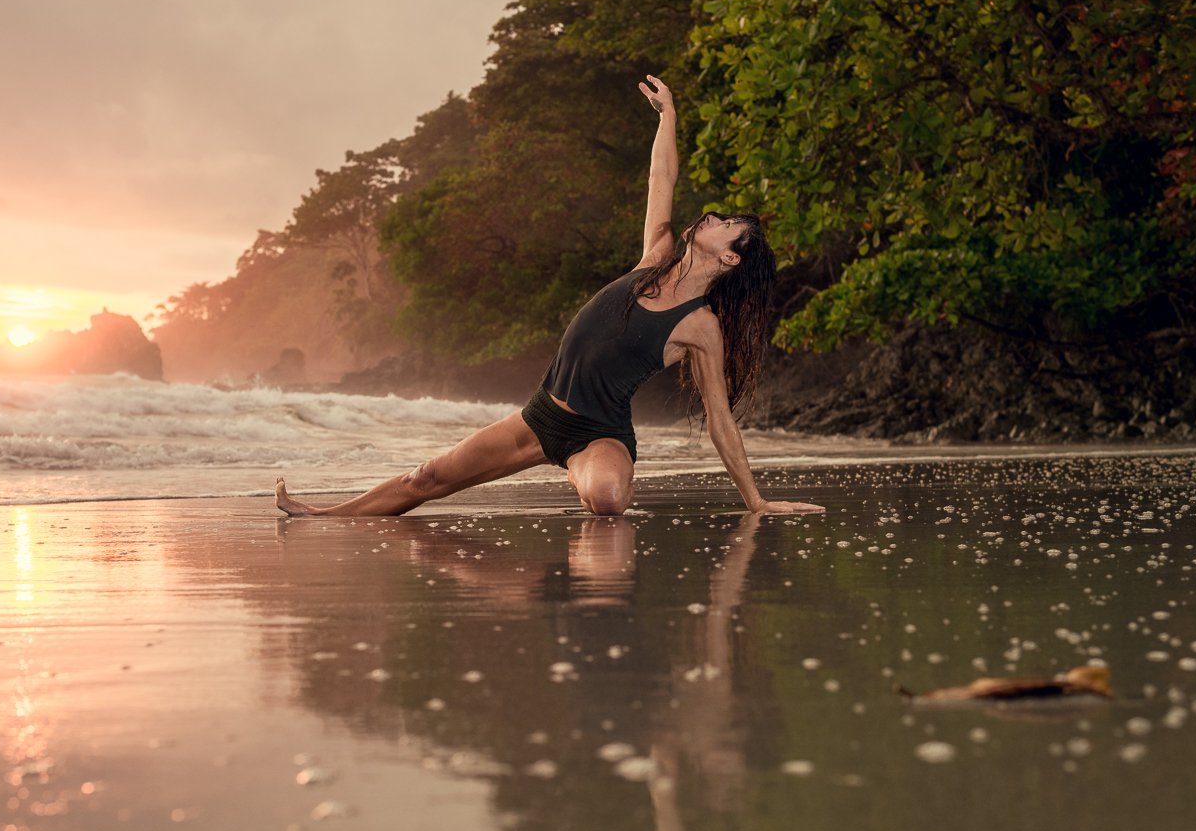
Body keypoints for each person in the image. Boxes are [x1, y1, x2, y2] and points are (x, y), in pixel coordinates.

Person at [275, 75, 825, 518]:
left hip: (598, 433)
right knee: (428, 478)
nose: (714, 216)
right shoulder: (654, 259)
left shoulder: (700, 326)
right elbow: (662, 179)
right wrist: (668, 117)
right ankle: (325, 515)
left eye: (728, 225)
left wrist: (756, 500)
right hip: (540, 416)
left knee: (608, 499)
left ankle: (580, 472)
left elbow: (720, 419)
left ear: (730, 258)